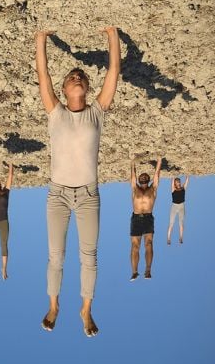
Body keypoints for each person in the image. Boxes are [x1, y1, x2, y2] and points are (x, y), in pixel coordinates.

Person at [35, 26, 120, 337]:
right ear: (64, 88)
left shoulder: (96, 112)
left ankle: (86, 308)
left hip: (87, 195)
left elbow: (113, 72)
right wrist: (40, 38)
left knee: (89, 255)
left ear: (85, 87)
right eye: (71, 77)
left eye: (80, 77)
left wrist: (112, 34)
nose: (76, 78)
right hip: (57, 195)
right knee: (56, 255)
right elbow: (43, 77)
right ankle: (54, 305)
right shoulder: (55, 113)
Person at [130, 154, 162, 280]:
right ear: (139, 179)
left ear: (148, 179)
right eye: (141, 176)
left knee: (148, 243)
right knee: (135, 246)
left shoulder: (152, 189)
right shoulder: (135, 188)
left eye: (145, 176)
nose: (143, 176)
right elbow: (132, 177)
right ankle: (134, 271)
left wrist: (159, 161)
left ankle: (148, 270)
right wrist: (132, 162)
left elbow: (157, 176)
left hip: (148, 218)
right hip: (136, 218)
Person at [167, 175, 189, 245]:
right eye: (176, 182)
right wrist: (173, 177)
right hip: (174, 206)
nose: (178, 183)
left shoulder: (183, 188)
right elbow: (172, 181)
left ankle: (181, 237)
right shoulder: (173, 189)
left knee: (181, 223)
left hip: (181, 206)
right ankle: (168, 238)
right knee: (171, 223)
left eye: (179, 181)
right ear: (175, 184)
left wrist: (187, 177)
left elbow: (187, 182)